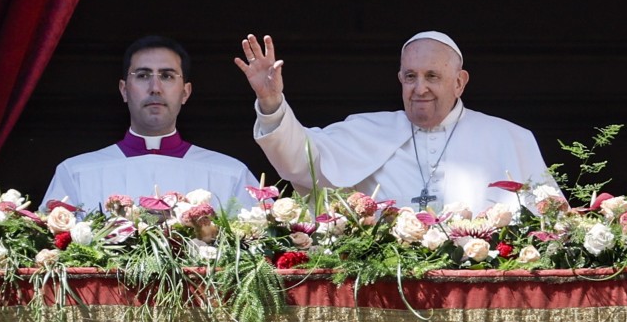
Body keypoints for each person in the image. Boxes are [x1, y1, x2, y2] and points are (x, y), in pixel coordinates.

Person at [234, 31, 556, 214]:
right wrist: (271, 101)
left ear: (459, 82)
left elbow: (550, 222)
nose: (420, 88)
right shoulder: (366, 131)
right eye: (410, 76)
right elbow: (299, 161)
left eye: (432, 76)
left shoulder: (509, 138)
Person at [43, 35, 257, 212]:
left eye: (167, 76)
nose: (155, 87)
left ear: (185, 92)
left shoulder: (230, 174)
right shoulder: (76, 173)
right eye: (143, 75)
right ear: (124, 90)